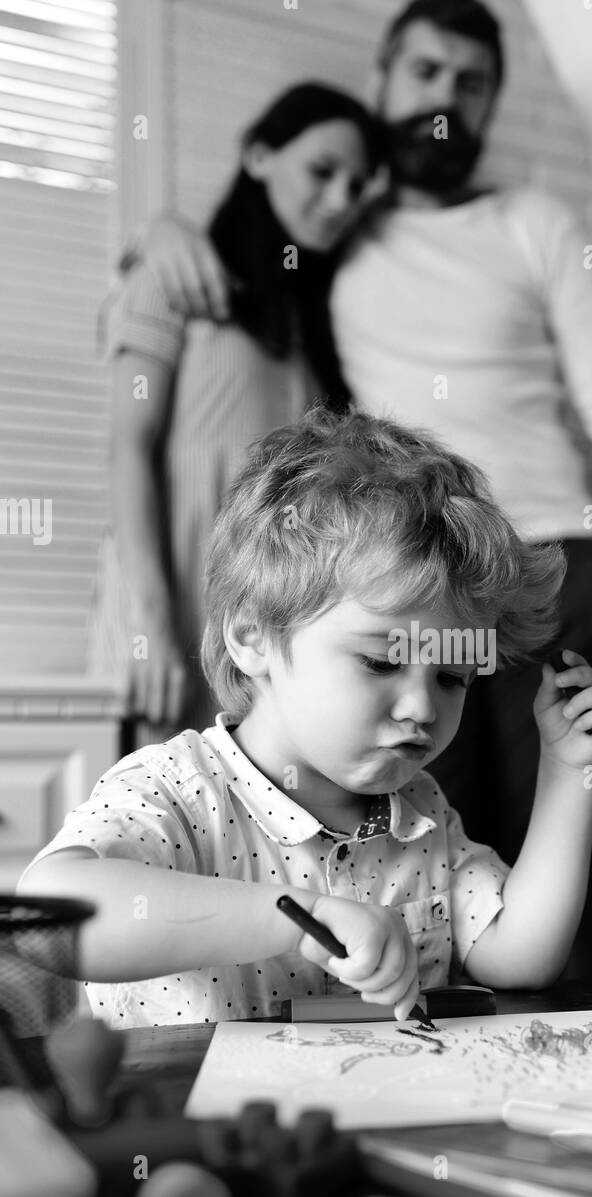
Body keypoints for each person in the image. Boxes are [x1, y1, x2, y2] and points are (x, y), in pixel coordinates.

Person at [132, 1, 592, 872]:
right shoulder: (339, 230)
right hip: (410, 582)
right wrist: (159, 235)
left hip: (551, 565)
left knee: (558, 835)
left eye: (469, 82)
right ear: (381, 80)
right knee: (429, 839)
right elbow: (249, 247)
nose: (443, 99)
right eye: (424, 73)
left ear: (490, 103)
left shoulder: (535, 222)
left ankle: (570, 1014)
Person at [20, 410, 592, 1028]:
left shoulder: (421, 813)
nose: (422, 707)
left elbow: (520, 957)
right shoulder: (175, 789)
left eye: (451, 678)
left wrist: (568, 770)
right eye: (379, 662)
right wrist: (295, 916)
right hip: (195, 1117)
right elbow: (50, 920)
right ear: (252, 636)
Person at [93, 83, 383, 739]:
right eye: (322, 170)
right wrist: (148, 624)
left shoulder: (311, 341)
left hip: (261, 650)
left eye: (357, 185)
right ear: (258, 155)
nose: (340, 200)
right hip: (164, 629)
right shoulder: (173, 277)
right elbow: (127, 452)